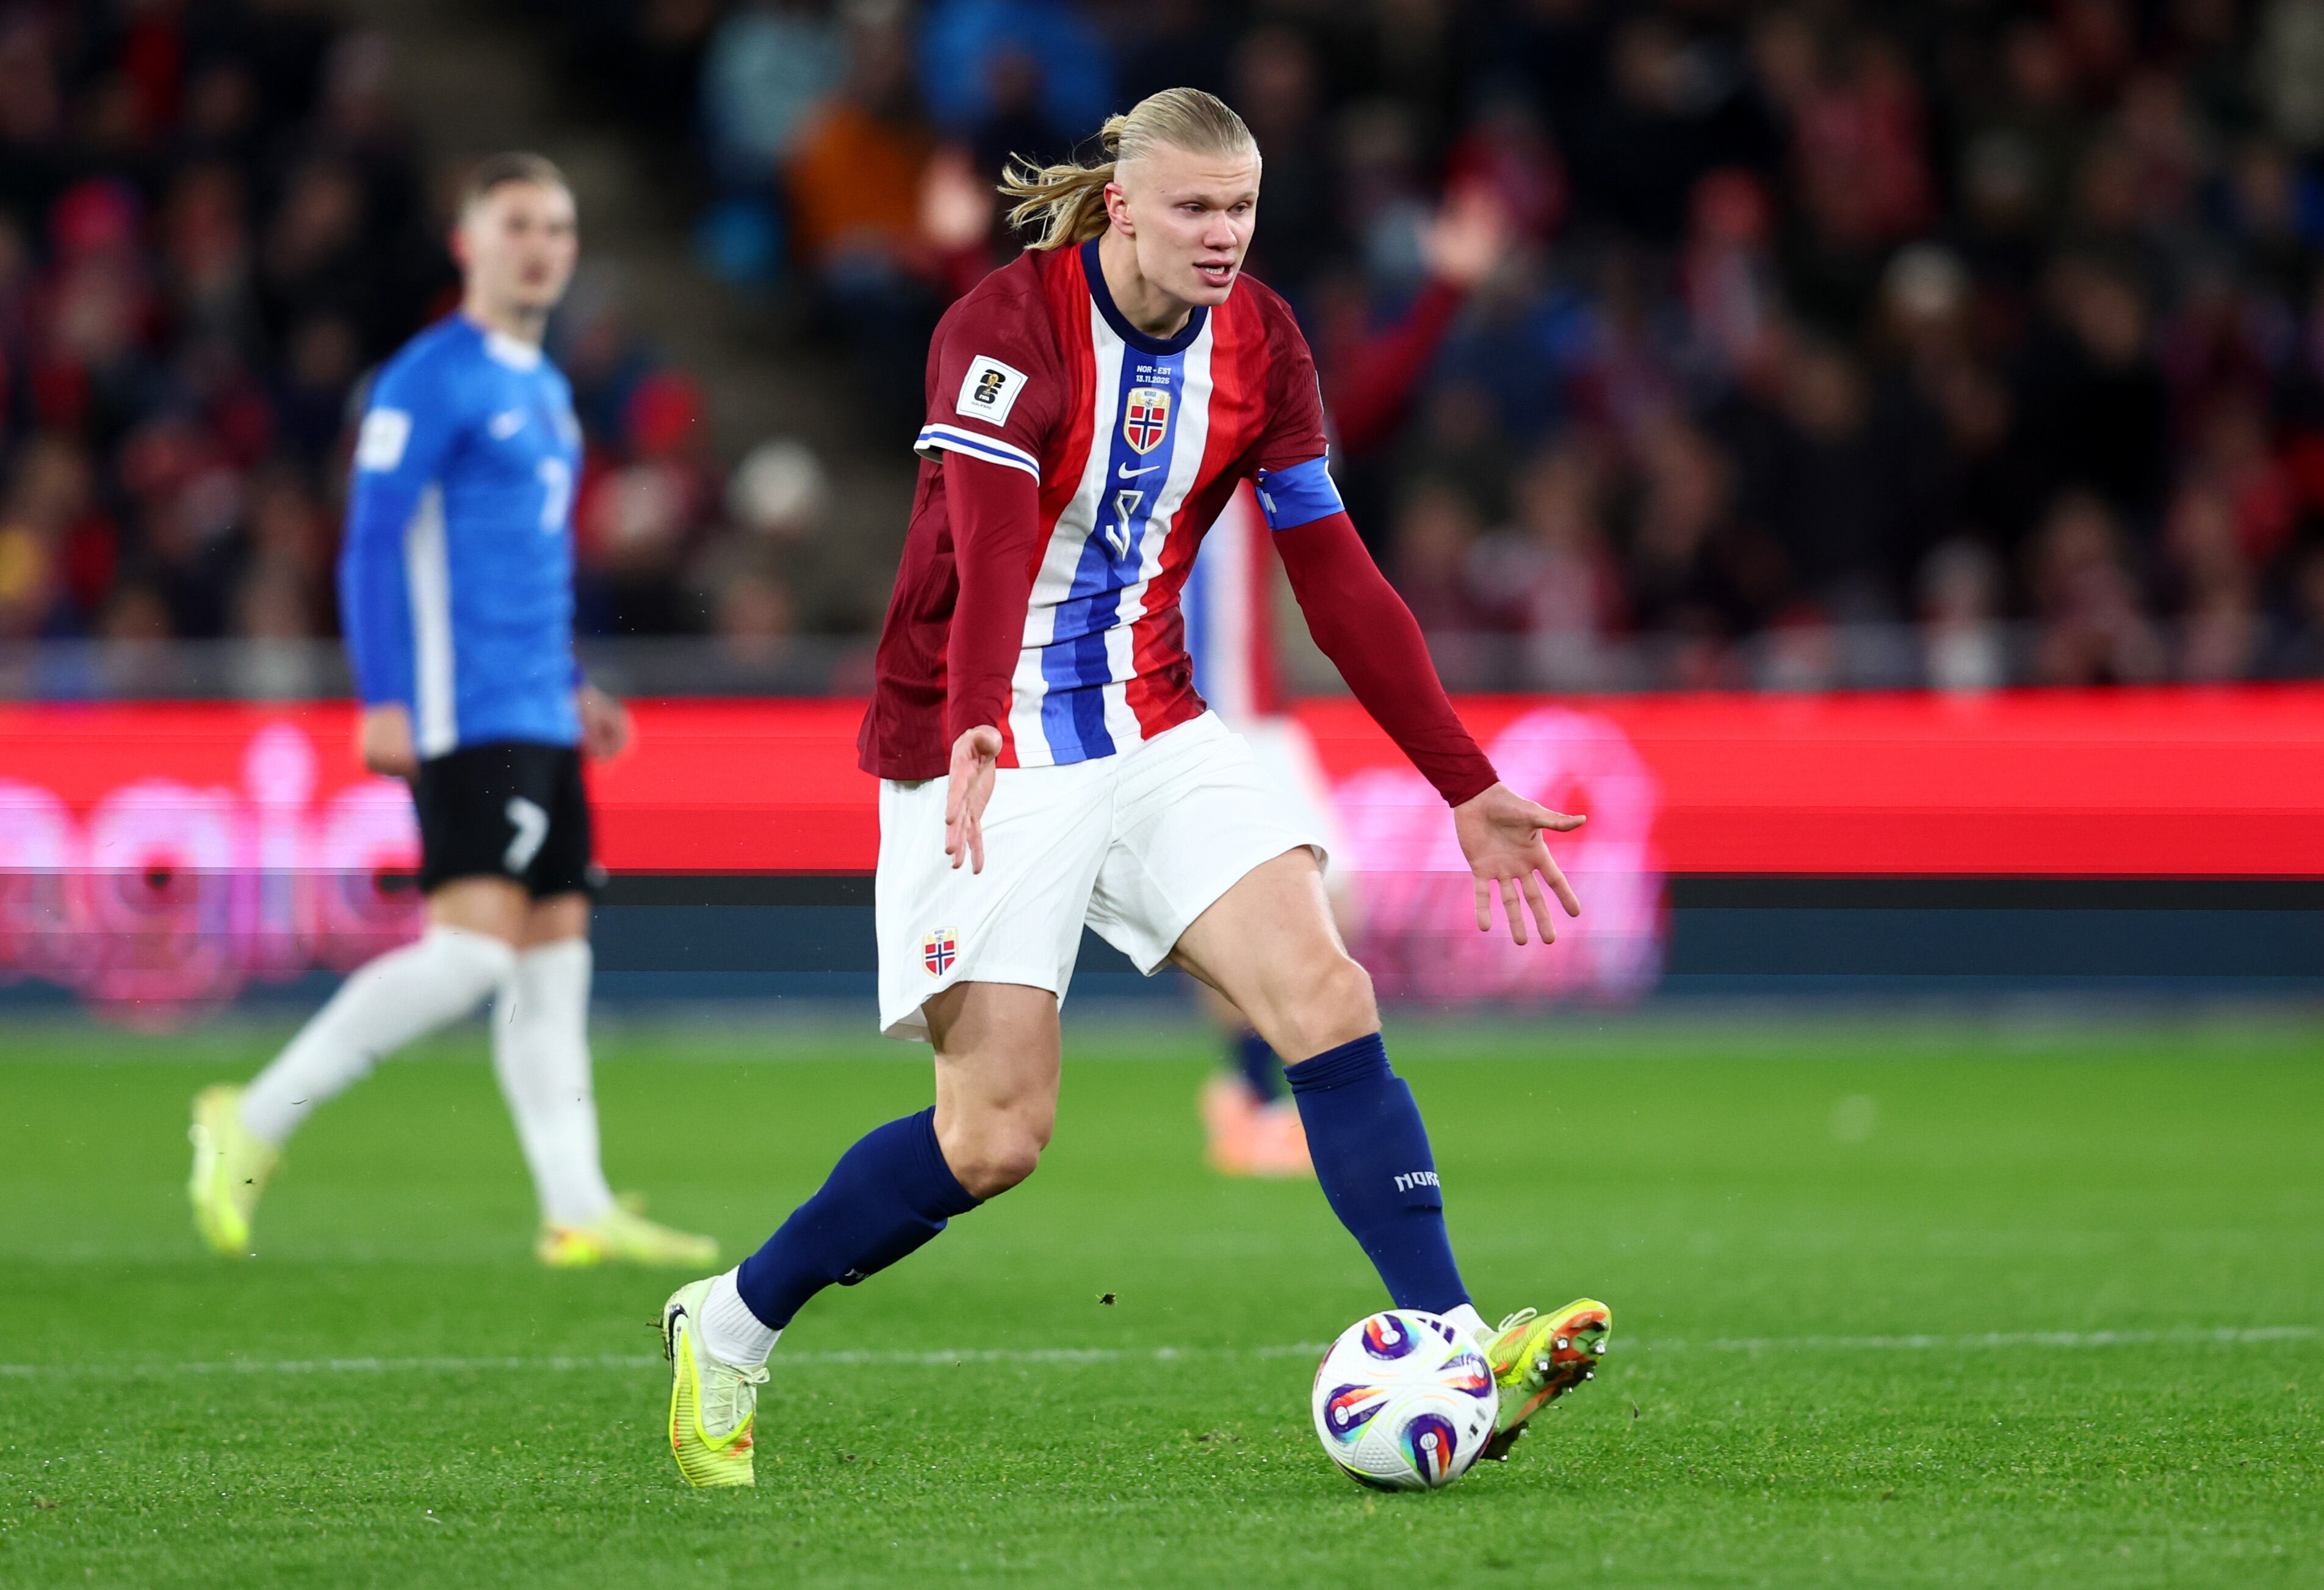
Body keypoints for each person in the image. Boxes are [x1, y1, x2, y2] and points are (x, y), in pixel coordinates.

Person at [659, 90, 1609, 1489]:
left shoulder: (1263, 341)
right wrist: (980, 718)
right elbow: (984, 546)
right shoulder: (1001, 325)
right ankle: (727, 1325)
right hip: (974, 745)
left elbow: (1333, 575)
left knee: (1326, 995)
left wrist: (1462, 781)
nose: (1223, 236)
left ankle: (1454, 1336)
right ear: (1121, 205)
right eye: (1193, 209)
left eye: (1240, 209)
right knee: (992, 1138)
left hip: (1152, 720)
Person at [186, 154, 716, 1271]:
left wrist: (571, 683)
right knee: (474, 956)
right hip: (464, 711)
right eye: (517, 224)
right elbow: (375, 541)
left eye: (559, 228)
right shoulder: (428, 378)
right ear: (469, 243)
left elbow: (517, 565)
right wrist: (383, 696)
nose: (541, 245)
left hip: (538, 708)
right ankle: (255, 1118)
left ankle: (576, 1203)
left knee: (554, 956)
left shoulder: (546, 392)